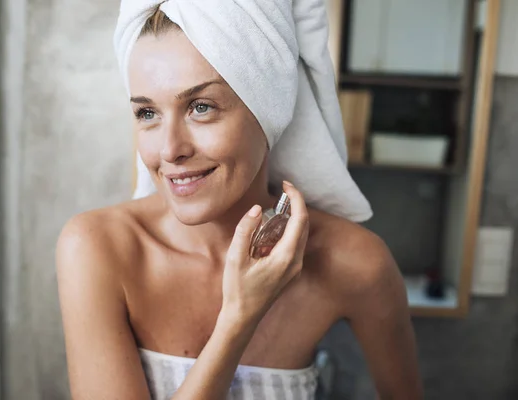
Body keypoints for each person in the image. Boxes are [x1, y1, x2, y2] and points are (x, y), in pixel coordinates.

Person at [56, 1, 423, 399]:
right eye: (147, 113)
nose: (169, 150)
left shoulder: (353, 262)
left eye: (200, 107)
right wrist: (239, 317)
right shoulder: (98, 248)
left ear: (269, 110)